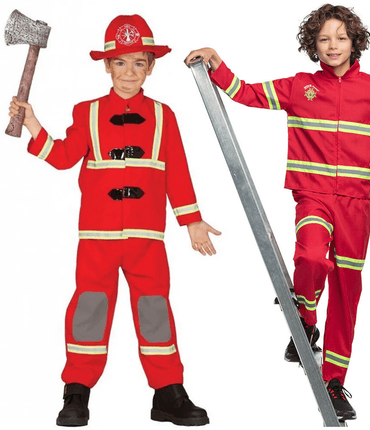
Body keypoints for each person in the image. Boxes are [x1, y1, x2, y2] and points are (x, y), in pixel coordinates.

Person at [185, 3, 370, 421]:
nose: (333, 46)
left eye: (341, 38)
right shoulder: (301, 86)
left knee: (347, 292)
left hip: (356, 205)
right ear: (312, 44)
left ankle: (334, 381)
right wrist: (216, 61)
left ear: (354, 42)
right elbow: (246, 93)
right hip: (312, 196)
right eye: (323, 39)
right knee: (313, 257)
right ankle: (306, 317)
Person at [9, 14, 220, 427]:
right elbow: (63, 157)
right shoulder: (87, 112)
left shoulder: (163, 116)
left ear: (151, 66)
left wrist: (191, 220)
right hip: (97, 237)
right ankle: (76, 391)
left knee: (155, 311)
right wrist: (32, 122)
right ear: (107, 65)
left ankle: (168, 392)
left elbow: (177, 170)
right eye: (120, 62)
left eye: (139, 63)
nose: (129, 72)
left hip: (147, 238)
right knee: (89, 308)